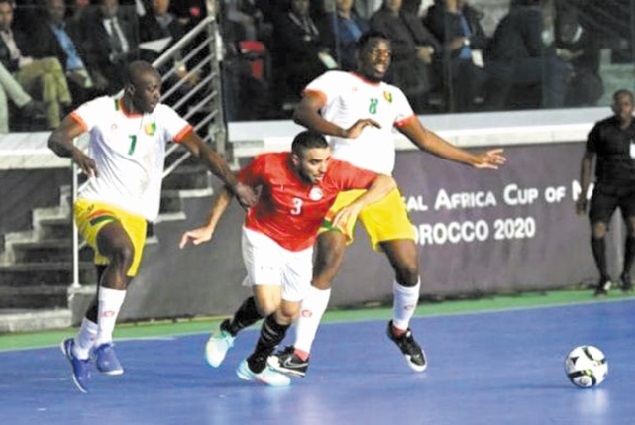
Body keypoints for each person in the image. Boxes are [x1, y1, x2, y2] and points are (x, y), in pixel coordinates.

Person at [265, 30, 505, 379]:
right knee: (329, 259)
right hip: (336, 185)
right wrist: (343, 132)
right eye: (375, 51)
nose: (382, 57)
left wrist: (472, 159)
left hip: (379, 187)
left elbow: (422, 138)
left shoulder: (394, 96)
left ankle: (400, 330)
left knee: (408, 266)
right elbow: (303, 113)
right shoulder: (335, 80)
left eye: (387, 53)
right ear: (359, 54)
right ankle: (300, 353)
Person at [48, 60, 258, 393]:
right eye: (151, 89)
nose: (158, 94)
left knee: (108, 292)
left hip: (137, 214)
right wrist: (75, 152)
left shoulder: (162, 117)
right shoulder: (101, 110)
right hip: (96, 202)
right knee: (123, 251)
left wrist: (234, 183)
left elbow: (202, 150)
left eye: (159, 87)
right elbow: (57, 138)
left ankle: (79, 348)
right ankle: (104, 343)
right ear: (131, 89)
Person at [179, 130, 396, 386]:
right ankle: (228, 331)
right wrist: (209, 226)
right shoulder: (268, 165)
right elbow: (231, 187)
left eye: (326, 160)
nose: (322, 168)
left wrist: (357, 205)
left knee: (288, 312)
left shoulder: (337, 172)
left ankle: (255, 364)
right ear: (295, 160)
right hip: (263, 235)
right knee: (268, 305)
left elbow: (386, 182)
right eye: (314, 162)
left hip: (301, 246)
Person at [575, 89, 635, 297]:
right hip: (606, 187)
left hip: (631, 187)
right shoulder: (601, 129)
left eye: (627, 104)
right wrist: (584, 193)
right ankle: (604, 277)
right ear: (612, 107)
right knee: (598, 229)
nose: (622, 108)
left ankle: (627, 274)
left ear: (633, 107)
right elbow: (587, 159)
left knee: (633, 226)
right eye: (619, 104)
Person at [0, 0, 72, 129]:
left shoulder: (18, 34)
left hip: (26, 75)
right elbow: (3, 66)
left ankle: (54, 125)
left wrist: (28, 61)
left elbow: (31, 53)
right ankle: (65, 97)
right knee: (52, 63)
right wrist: (21, 62)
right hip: (11, 77)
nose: (5, 17)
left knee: (48, 78)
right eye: (1, 13)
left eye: (8, 13)